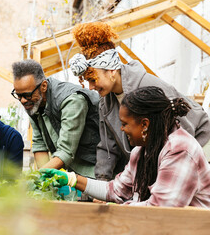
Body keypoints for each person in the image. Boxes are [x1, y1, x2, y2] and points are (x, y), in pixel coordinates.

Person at [69, 21, 210, 181]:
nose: (91, 86)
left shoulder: (148, 86)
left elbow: (184, 129)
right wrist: (102, 181)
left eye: (93, 79)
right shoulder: (105, 103)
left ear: (111, 70)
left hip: (199, 143)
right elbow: (107, 147)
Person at [41, 86, 210, 207]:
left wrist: (118, 209)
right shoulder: (141, 151)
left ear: (144, 124)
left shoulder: (179, 150)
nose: (121, 129)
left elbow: (161, 209)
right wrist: (72, 179)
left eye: (125, 124)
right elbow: (115, 190)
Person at [11, 59, 100, 178]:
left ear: (43, 86)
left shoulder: (72, 100)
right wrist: (44, 181)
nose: (22, 100)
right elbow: (39, 144)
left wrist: (35, 177)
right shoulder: (33, 103)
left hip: (97, 170)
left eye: (27, 95)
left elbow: (66, 152)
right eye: (18, 95)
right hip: (71, 171)